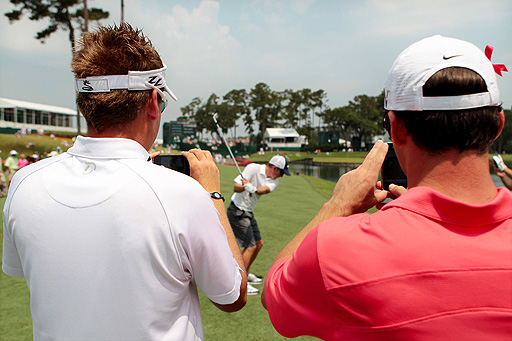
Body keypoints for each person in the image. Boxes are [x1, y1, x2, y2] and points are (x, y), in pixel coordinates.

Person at [3, 23, 246, 340]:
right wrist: (211, 195)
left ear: (84, 103)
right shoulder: (182, 195)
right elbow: (232, 296)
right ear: (151, 103)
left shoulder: (24, 183)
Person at [262, 35, 512, 340]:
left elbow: (274, 294)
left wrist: (336, 208)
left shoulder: (338, 248)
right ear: (498, 124)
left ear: (397, 128)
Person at [227, 154, 290, 295]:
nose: (281, 176)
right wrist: (245, 187)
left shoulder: (274, 181)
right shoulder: (253, 168)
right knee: (250, 246)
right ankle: (241, 282)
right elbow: (235, 187)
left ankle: (246, 271)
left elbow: (265, 189)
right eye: (281, 173)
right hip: (238, 210)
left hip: (248, 212)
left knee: (258, 243)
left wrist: (253, 189)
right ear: (275, 168)